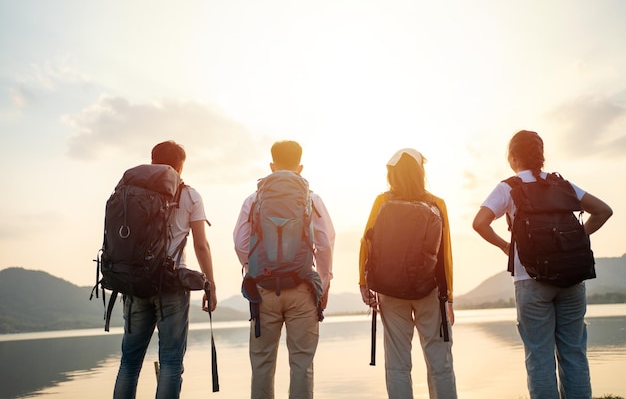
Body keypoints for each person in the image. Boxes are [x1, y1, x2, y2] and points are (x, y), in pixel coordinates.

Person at [472, 130, 613, 399]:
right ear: (541, 157)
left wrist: (506, 247)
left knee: (539, 356)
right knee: (574, 353)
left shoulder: (509, 187)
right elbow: (604, 211)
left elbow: (479, 223)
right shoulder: (563, 185)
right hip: (572, 278)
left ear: (513, 157)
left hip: (530, 280)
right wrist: (572, 240)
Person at [113, 140, 218, 399]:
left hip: (135, 284)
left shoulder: (129, 192)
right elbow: (201, 245)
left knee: (129, 364)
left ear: (152, 162)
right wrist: (210, 284)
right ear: (181, 166)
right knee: (171, 362)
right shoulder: (190, 195)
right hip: (172, 287)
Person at [233, 140, 335, 399]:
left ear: (271, 165)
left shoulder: (254, 199)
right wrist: (324, 280)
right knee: (302, 364)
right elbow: (325, 243)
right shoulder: (312, 199)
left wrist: (256, 268)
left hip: (263, 291)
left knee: (262, 364)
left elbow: (240, 243)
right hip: (302, 288)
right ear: (300, 167)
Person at [358, 148, 457, 399]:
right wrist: (449, 298)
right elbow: (445, 253)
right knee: (440, 363)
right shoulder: (436, 203)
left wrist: (363, 282)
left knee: (397, 364)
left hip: (390, 292)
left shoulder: (383, 201)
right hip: (430, 290)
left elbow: (366, 242)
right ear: (420, 172)